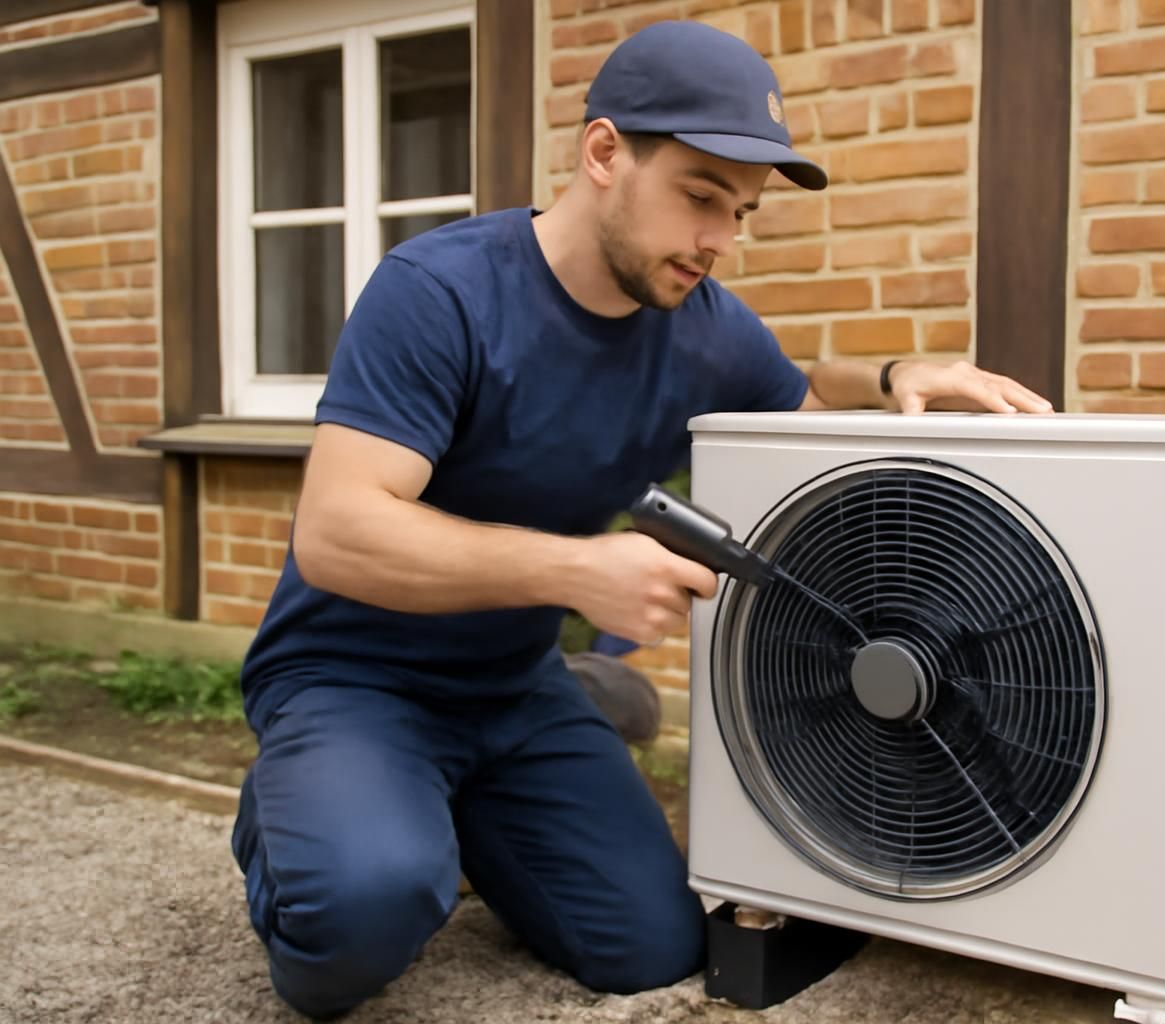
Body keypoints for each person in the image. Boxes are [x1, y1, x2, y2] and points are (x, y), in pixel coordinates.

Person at [230, 18, 1052, 1021]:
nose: (720, 239)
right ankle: (303, 817)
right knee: (357, 917)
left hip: (511, 687)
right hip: (353, 676)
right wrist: (578, 572)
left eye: (743, 213)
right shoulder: (439, 293)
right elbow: (339, 530)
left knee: (651, 944)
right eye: (701, 196)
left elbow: (794, 403)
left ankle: (513, 754)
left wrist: (892, 377)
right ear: (605, 152)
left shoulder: (701, 327)